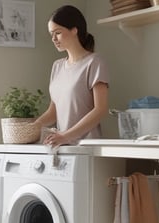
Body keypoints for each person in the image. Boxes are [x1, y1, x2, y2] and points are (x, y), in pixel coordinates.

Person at [34, 5, 109, 147]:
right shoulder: (57, 66)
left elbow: (101, 109)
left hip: (86, 147)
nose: (53, 39)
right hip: (62, 148)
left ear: (74, 30)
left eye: (58, 33)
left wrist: (66, 136)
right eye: (51, 34)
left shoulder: (94, 62)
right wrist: (35, 125)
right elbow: (53, 111)